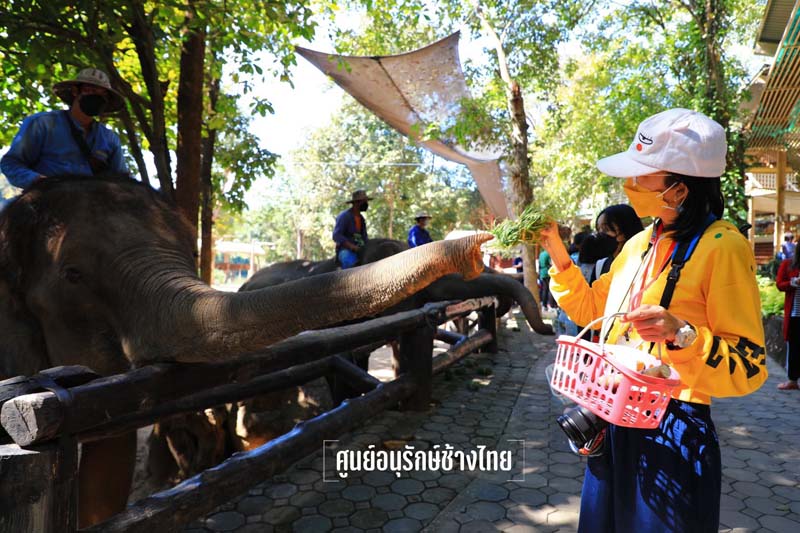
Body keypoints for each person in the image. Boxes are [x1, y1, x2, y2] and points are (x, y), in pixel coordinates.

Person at [539, 108, 767, 533]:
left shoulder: (724, 248)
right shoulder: (641, 243)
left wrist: (682, 335)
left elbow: (750, 367)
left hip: (674, 430)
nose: (630, 186)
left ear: (678, 190)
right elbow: (593, 311)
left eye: (642, 176)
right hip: (612, 417)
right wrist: (556, 250)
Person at [1, 68, 128, 188]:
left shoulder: (110, 139)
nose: (96, 97)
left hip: (93, 205)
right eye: (90, 90)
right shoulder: (43, 124)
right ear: (75, 91)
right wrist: (38, 180)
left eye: (103, 94)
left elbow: (122, 181)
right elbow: (11, 163)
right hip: (48, 200)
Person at [594, 203, 644, 279]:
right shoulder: (600, 266)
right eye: (598, 229)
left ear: (625, 230)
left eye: (606, 229)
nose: (600, 234)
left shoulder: (646, 262)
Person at [776, 251, 800, 390]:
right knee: (794, 347)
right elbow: (779, 284)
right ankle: (792, 380)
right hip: (795, 314)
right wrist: (794, 282)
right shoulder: (788, 264)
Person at [333, 189, 371, 269]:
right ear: (357, 203)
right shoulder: (344, 216)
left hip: (360, 250)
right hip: (345, 251)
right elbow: (336, 235)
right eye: (364, 201)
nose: (366, 204)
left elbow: (364, 238)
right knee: (350, 263)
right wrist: (352, 247)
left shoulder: (361, 219)